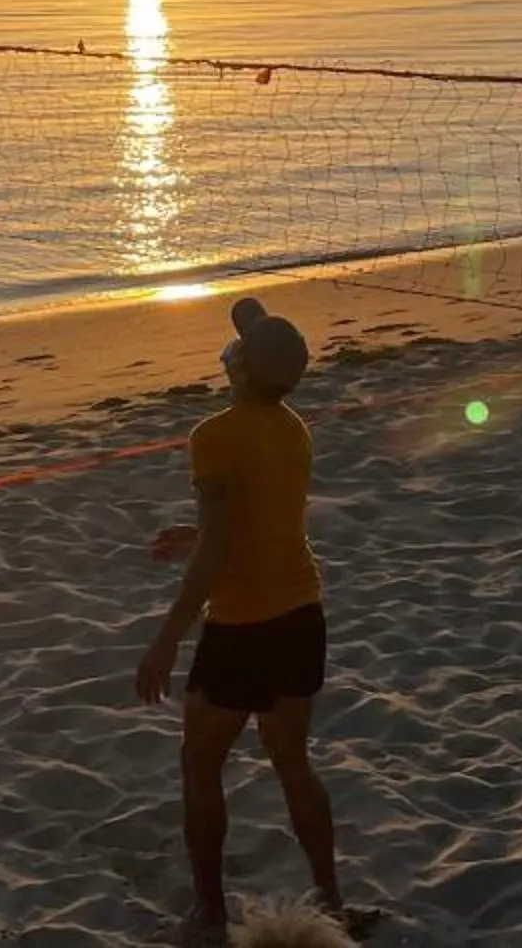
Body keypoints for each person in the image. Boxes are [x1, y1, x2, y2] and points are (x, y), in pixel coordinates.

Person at [137, 298, 358, 944]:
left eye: (241, 346)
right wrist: (199, 533)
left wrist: (166, 640)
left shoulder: (214, 435)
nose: (230, 348)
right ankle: (331, 900)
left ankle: (208, 911)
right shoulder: (292, 427)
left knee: (200, 761)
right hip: (302, 614)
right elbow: (257, 520)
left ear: (242, 368)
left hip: (242, 626)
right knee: (292, 761)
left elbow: (218, 553)